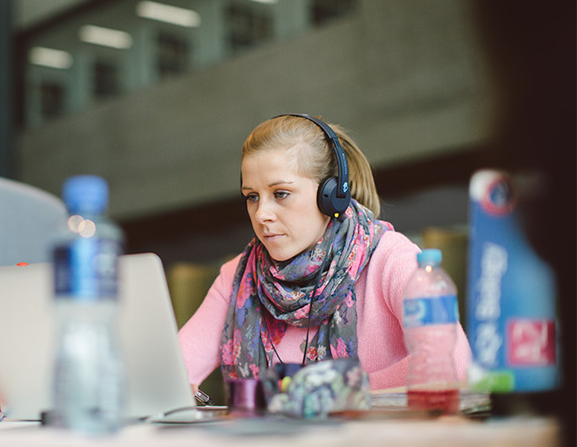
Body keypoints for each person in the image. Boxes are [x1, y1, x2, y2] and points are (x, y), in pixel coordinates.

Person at [178, 113, 472, 393]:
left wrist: (331, 392)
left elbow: (453, 364)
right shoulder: (238, 276)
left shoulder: (392, 258)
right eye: (252, 197)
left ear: (331, 195)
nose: (262, 214)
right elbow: (172, 372)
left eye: (280, 193)